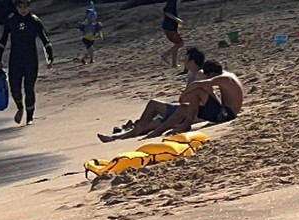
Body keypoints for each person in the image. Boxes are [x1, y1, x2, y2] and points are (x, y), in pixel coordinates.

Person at [96, 60, 241, 142]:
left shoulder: (223, 78)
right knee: (183, 108)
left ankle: (184, 124)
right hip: (224, 112)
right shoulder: (228, 75)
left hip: (225, 114)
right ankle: (156, 132)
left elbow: (198, 86)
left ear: (213, 73)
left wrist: (184, 94)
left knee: (196, 91)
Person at [0, 0, 53, 125]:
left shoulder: (34, 21)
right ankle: (20, 107)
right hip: (15, 59)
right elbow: (3, 41)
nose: (23, 10)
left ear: (29, 7)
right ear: (16, 7)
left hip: (31, 60)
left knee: (29, 88)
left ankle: (30, 117)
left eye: (25, 7)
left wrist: (50, 57)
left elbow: (45, 40)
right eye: (20, 7)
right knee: (15, 88)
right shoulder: (11, 21)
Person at [160, 0, 184, 67]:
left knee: (176, 44)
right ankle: (165, 55)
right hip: (169, 27)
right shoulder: (172, 1)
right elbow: (167, 13)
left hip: (170, 26)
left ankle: (174, 64)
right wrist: (178, 20)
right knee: (180, 43)